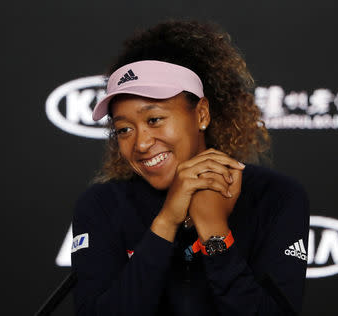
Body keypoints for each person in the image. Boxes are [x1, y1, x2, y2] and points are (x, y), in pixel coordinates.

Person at [71, 20, 309, 316]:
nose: (141, 143)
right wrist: (166, 221)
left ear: (201, 114)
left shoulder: (275, 197)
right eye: (123, 130)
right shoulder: (102, 206)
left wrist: (214, 230)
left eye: (154, 119)